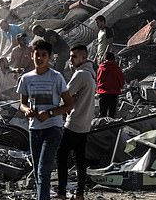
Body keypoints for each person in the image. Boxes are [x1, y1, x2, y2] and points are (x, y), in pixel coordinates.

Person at [17, 39, 74, 200]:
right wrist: (27, 110)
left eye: (44, 55)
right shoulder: (26, 78)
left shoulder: (56, 77)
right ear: (32, 56)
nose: (40, 58)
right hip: (34, 129)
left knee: (43, 169)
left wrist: (50, 113)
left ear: (49, 57)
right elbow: (22, 104)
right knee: (37, 171)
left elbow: (69, 104)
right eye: (37, 55)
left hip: (53, 129)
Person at [56, 45, 96, 200]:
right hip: (85, 123)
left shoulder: (80, 74)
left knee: (61, 154)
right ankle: (79, 194)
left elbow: (64, 95)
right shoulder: (90, 74)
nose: (70, 60)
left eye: (74, 57)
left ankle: (61, 192)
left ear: (83, 58)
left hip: (74, 122)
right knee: (79, 159)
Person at [96, 52, 124, 118]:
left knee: (102, 114)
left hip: (102, 94)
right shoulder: (116, 68)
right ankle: (111, 128)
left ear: (105, 59)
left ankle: (102, 127)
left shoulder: (100, 68)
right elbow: (121, 80)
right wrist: (120, 87)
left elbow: (98, 79)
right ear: (113, 59)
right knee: (112, 114)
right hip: (113, 94)